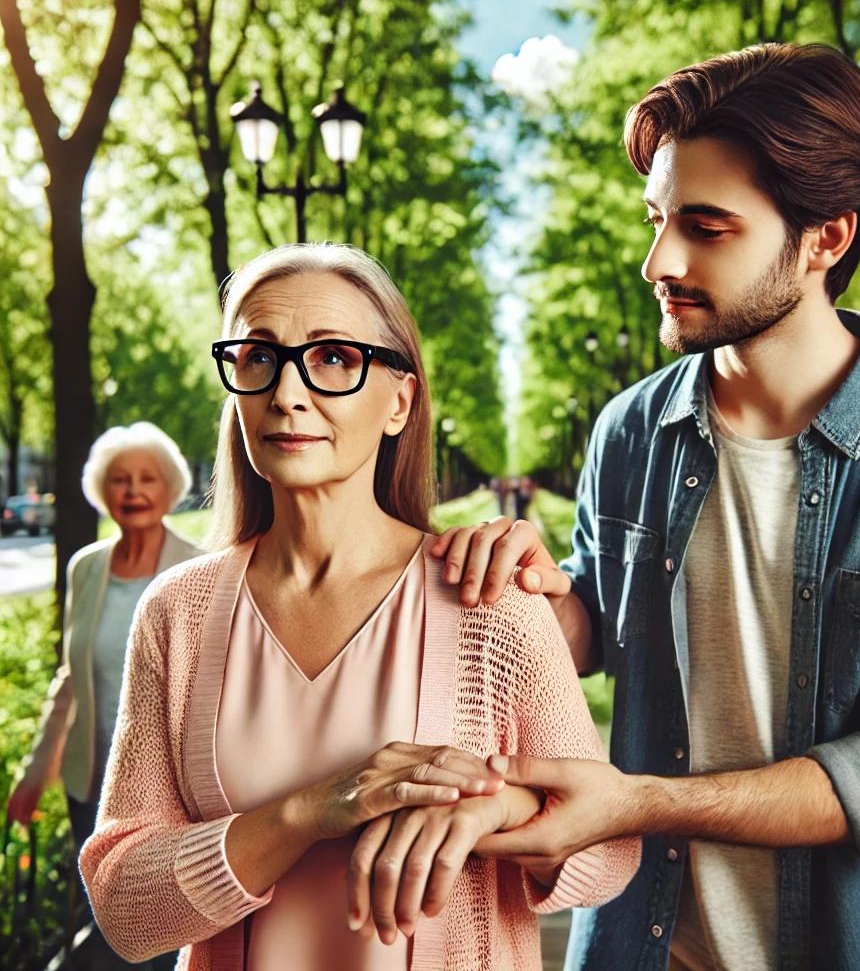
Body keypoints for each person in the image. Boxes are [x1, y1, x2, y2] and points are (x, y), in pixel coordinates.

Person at [435, 43, 860, 971]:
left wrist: (642, 803)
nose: (656, 260)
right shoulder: (631, 428)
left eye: (706, 227)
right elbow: (601, 629)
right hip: (640, 946)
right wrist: (532, 591)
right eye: (658, 218)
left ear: (827, 237)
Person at [78, 243, 639, 971]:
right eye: (258, 357)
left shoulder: (487, 603)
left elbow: (610, 853)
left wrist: (496, 810)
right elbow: (124, 905)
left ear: (400, 401)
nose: (287, 394)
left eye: (335, 358)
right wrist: (311, 811)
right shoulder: (177, 613)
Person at [7, 421, 200, 971]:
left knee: (158, 925)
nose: (132, 491)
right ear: (101, 489)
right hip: (92, 780)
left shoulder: (199, 566)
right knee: (106, 913)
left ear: (168, 488)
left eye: (146, 479)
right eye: (119, 479)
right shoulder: (86, 567)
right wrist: (37, 768)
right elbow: (71, 678)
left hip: (170, 788)